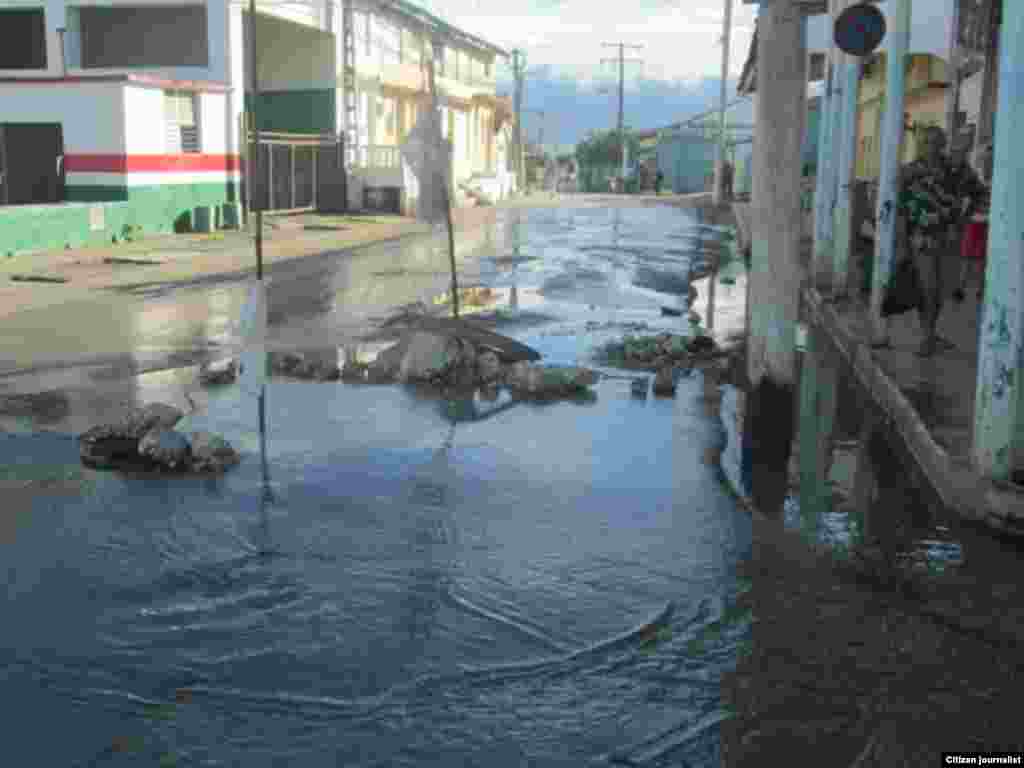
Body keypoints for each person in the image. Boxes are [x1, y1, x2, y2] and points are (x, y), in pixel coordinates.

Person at [895, 125, 986, 357]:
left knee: (941, 290)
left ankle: (930, 332)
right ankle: (926, 337)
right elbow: (901, 209)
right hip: (921, 239)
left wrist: (964, 219)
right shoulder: (910, 171)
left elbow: (979, 192)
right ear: (920, 145)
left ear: (943, 145)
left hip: (948, 239)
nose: (931, 148)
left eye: (936, 143)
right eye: (927, 143)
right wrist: (902, 243)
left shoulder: (954, 169)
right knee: (928, 288)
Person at [954, 142, 994, 302]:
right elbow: (966, 196)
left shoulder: (999, 176)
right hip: (973, 220)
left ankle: (980, 289)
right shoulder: (974, 176)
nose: (988, 160)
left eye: (990, 158)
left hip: (989, 221)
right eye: (986, 157)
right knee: (967, 255)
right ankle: (961, 288)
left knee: (981, 257)